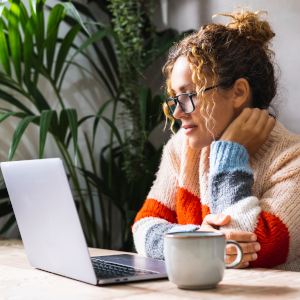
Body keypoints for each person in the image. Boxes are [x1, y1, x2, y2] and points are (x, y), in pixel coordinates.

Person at [132, 7, 300, 271]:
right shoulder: (181, 149)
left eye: (189, 95)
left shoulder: (293, 161)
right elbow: (143, 228)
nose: (177, 112)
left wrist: (230, 154)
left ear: (238, 92)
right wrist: (199, 237)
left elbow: (240, 255)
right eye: (175, 97)